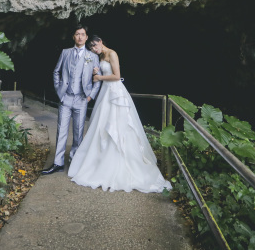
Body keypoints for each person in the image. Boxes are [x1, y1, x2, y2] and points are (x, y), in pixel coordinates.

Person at [67, 35, 172, 193]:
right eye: (92, 48)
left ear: (101, 41)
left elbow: (116, 76)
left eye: (95, 46)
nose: (95, 49)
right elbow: (102, 71)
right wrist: (96, 70)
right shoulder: (101, 56)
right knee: (101, 126)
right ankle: (99, 161)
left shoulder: (112, 54)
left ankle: (124, 162)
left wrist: (99, 77)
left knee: (119, 126)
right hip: (106, 93)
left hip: (115, 93)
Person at [41, 24, 101, 175]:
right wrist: (59, 92)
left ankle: (75, 161)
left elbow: (97, 79)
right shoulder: (65, 52)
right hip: (66, 98)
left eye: (82, 34)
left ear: (86, 37)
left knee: (78, 132)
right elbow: (56, 72)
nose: (80, 37)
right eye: (77, 34)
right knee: (61, 130)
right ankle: (58, 163)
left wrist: (90, 96)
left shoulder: (92, 57)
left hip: (82, 99)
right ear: (73, 37)